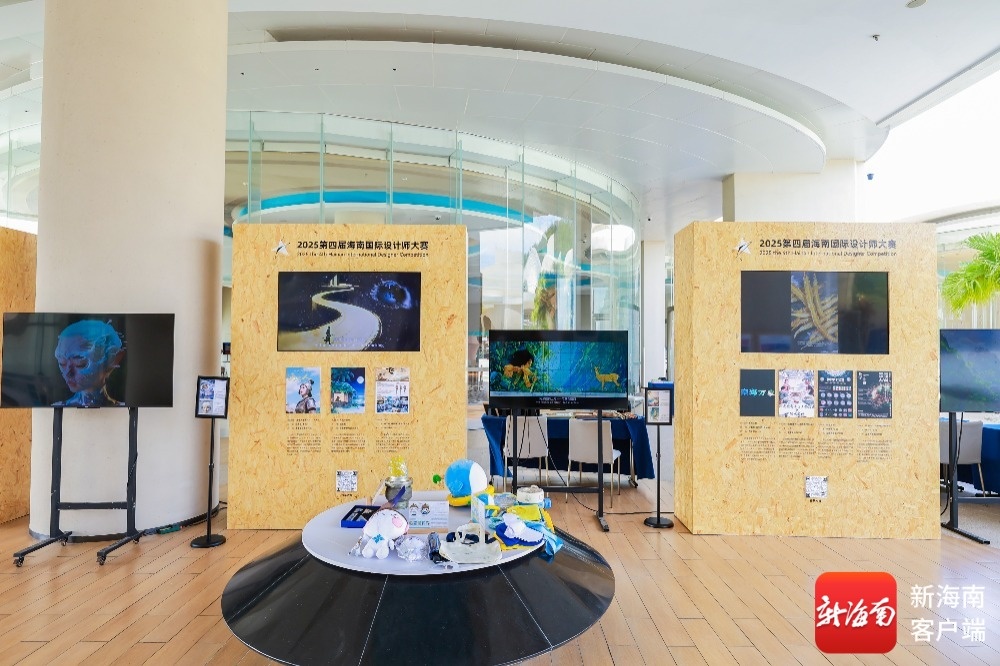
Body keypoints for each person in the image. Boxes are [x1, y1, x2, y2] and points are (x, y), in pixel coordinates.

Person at [52, 319, 126, 407]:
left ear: (112, 360)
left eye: (80, 364)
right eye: (62, 363)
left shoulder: (124, 407)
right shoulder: (57, 407)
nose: (68, 373)